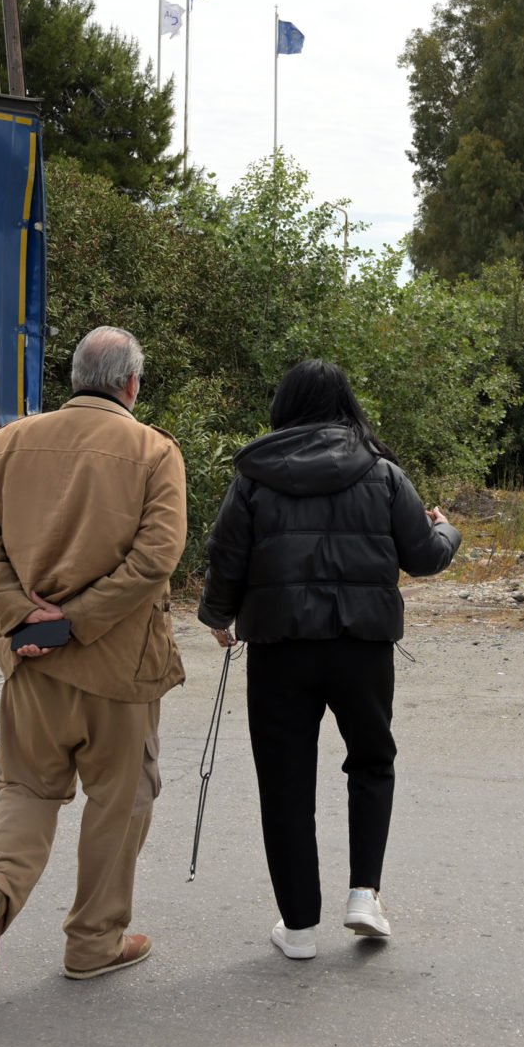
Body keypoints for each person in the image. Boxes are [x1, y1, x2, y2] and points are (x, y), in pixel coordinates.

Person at [196, 360, 460, 960]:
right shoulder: (384, 474)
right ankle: (364, 895)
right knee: (371, 762)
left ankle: (298, 928)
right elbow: (421, 556)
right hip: (362, 648)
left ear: (284, 407)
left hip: (278, 650)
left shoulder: (255, 477)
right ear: (346, 404)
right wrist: (449, 533)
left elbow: (227, 553)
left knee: (284, 781)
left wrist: (218, 616)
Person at [0, 326, 186, 989]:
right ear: (132, 383)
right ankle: (93, 943)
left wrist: (26, 616)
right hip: (121, 668)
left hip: (30, 662)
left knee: (26, 790)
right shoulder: (153, 451)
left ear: (75, 375)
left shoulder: (6, 445)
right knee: (121, 798)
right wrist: (78, 622)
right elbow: (155, 559)